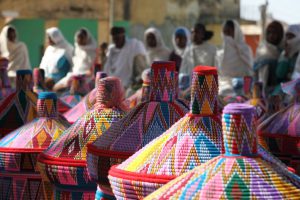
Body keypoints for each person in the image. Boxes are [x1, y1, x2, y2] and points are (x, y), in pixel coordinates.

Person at [104, 26, 147, 94]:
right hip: (110, 88)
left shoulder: (134, 46)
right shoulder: (111, 50)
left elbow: (140, 68)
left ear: (123, 36)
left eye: (118, 38)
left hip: (129, 88)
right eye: (114, 38)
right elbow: (106, 70)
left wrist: (136, 83)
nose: (116, 41)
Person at [217, 20, 253, 96]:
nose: (227, 36)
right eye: (225, 32)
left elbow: (250, 71)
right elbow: (220, 75)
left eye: (229, 32)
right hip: (225, 85)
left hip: (243, 85)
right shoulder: (220, 53)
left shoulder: (245, 50)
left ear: (236, 32)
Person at [254, 21, 284, 95]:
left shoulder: (284, 51)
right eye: (269, 33)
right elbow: (258, 75)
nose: (271, 35)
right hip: (261, 90)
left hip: (278, 91)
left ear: (280, 35)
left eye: (274, 33)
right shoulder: (262, 49)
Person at [275, 24, 300, 91]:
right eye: (287, 37)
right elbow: (279, 75)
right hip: (286, 87)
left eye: (291, 37)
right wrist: (285, 56)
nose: (288, 40)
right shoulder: (285, 53)